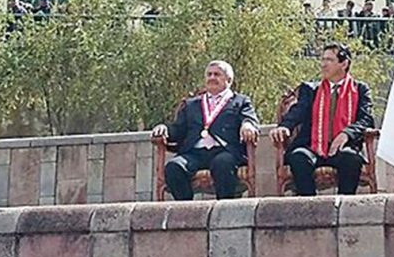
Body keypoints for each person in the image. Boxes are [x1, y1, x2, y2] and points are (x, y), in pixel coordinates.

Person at [269, 43, 374, 195]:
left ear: (344, 64)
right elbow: (298, 111)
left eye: (329, 60)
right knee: (298, 157)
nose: (323, 64)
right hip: (312, 146)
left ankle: (343, 206)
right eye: (323, 59)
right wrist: (284, 126)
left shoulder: (360, 89)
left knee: (351, 159)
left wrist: (346, 134)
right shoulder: (311, 89)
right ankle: (309, 205)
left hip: (343, 147)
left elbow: (366, 119)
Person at [151, 61, 260, 200]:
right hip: (194, 154)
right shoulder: (191, 104)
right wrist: (164, 128)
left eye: (217, 74)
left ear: (229, 80)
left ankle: (225, 208)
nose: (212, 78)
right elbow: (178, 129)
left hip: (224, 151)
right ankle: (186, 209)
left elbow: (250, 119)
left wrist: (248, 125)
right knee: (174, 167)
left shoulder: (240, 102)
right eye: (209, 74)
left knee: (222, 163)